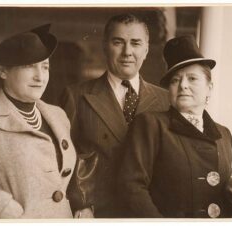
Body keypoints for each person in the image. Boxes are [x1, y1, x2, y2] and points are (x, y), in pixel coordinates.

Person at [117, 36, 232, 218]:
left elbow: (222, 189)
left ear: (209, 87)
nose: (183, 85)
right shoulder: (150, 124)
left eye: (192, 78)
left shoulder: (224, 135)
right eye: (175, 80)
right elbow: (131, 187)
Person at [0, 24, 82, 219]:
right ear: (2, 71)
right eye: (29, 66)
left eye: (45, 67)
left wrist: (81, 205)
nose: (40, 77)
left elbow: (67, 177)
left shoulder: (58, 115)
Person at [60, 13, 169, 218]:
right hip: (97, 213)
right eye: (118, 42)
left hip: (151, 213)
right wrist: (80, 205)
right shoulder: (76, 96)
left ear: (146, 49)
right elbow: (64, 159)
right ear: (105, 46)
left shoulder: (166, 101)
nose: (127, 52)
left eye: (135, 43)